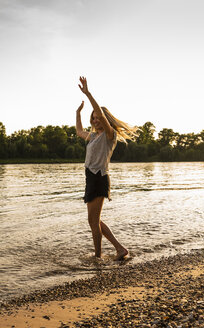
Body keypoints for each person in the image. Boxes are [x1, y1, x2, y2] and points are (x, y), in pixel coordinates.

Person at [76, 76, 137, 260]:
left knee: (93, 222)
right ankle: (119, 249)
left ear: (104, 120)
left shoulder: (110, 135)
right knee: (94, 221)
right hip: (90, 178)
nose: (95, 120)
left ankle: (98, 256)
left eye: (98, 118)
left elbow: (101, 114)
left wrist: (88, 93)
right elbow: (79, 131)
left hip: (99, 178)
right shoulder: (94, 136)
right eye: (93, 118)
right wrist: (78, 113)